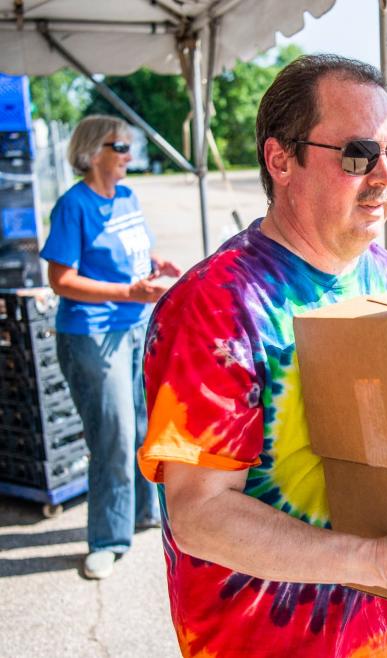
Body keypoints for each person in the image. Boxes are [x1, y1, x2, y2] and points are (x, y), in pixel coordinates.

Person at [136, 55, 387, 657]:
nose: (386, 175)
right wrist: (380, 561)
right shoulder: (212, 306)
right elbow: (199, 513)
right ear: (281, 159)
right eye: (359, 154)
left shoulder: (385, 273)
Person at [39, 115, 180, 580]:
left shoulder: (126, 196)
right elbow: (60, 280)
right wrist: (127, 293)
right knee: (113, 435)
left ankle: (141, 513)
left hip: (136, 327)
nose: (128, 154)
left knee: (144, 425)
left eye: (129, 145)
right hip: (93, 335)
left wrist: (155, 262)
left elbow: (133, 251)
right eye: (119, 146)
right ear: (91, 152)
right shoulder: (73, 205)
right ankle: (106, 538)